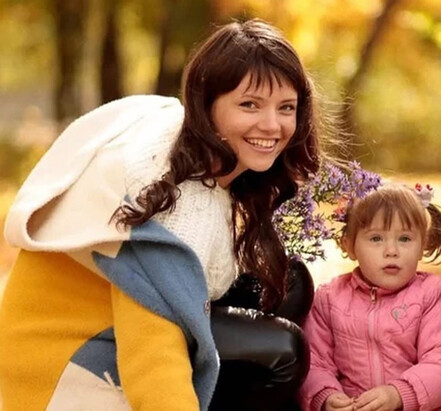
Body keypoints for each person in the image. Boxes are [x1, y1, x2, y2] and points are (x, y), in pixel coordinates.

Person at [0, 19, 334, 411]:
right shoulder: (171, 207)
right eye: (249, 104)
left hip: (105, 324)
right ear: (206, 105)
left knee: (290, 282)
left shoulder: (176, 132)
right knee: (282, 350)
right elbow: (151, 353)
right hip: (65, 366)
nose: (272, 125)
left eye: (286, 108)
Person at [298, 183, 441, 411]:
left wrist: (400, 393)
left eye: (405, 239)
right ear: (349, 245)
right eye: (376, 238)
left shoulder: (432, 295)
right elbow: (313, 360)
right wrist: (325, 396)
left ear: (422, 246)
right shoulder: (329, 299)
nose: (391, 250)